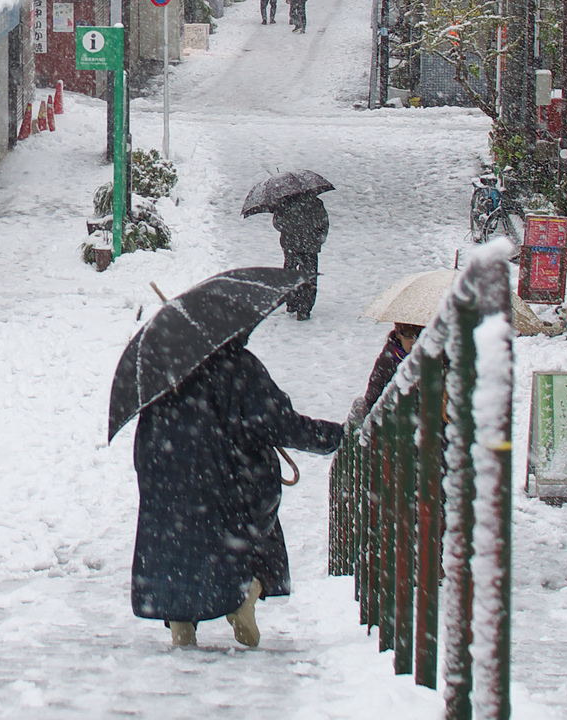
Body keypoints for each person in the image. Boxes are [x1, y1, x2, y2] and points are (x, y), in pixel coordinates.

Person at [132, 337, 344, 649]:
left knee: (180, 547)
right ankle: (246, 592)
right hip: (230, 481)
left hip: (169, 480)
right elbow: (277, 423)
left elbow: (147, 431)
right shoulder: (239, 366)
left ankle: (181, 619)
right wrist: (333, 436)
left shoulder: (166, 369)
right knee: (254, 544)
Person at [350, 323, 422, 424]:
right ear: (398, 334)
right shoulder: (388, 361)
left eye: (423, 333)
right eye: (408, 334)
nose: (415, 341)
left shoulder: (442, 360)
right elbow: (373, 401)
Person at [272, 191, 329, 319]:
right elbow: (323, 223)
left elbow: (278, 224)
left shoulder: (284, 203)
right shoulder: (316, 203)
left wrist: (289, 227)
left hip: (291, 244)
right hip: (310, 246)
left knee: (290, 273)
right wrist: (318, 238)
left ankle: (291, 302)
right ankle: (304, 308)